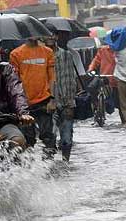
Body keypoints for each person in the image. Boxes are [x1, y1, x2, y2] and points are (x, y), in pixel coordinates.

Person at [10, 36, 57, 157]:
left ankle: (50, 166)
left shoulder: (48, 52)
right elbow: (14, 80)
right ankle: (30, 168)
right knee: (28, 138)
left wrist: (52, 99)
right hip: (24, 103)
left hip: (44, 100)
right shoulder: (16, 54)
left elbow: (52, 77)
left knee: (47, 136)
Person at [44, 24, 77, 162]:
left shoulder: (66, 55)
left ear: (56, 36)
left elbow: (70, 79)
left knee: (66, 139)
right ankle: (49, 170)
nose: (50, 37)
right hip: (46, 103)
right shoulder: (40, 56)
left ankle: (66, 164)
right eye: (47, 34)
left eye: (53, 34)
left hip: (64, 101)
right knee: (48, 138)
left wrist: (70, 103)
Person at [87, 44, 124, 123]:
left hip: (116, 79)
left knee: (121, 104)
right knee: (91, 87)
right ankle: (96, 107)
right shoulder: (103, 50)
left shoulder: (122, 51)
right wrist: (91, 69)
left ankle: (124, 121)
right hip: (103, 77)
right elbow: (96, 60)